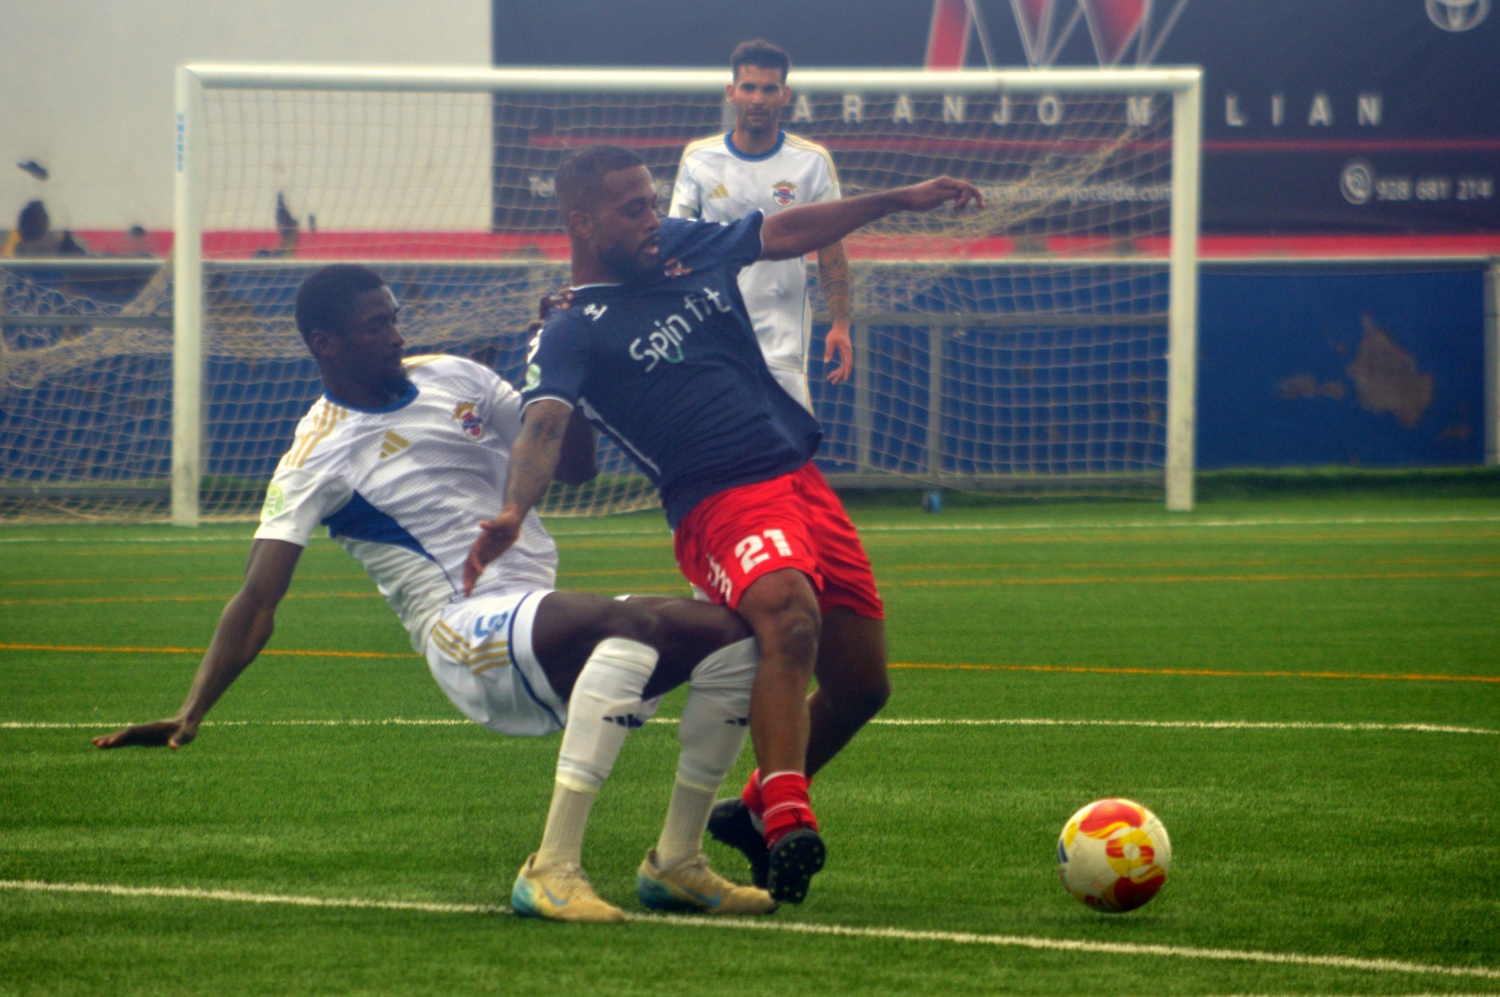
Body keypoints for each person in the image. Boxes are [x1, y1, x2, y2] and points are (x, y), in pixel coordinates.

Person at [93, 264, 775, 924]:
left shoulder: (457, 375)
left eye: (393, 318)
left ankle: (677, 862)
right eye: (373, 326)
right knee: (619, 624)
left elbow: (575, 466)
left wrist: (563, 380)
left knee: (730, 637)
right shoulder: (316, 456)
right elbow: (256, 599)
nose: (394, 334)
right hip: (463, 633)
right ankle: (550, 869)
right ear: (324, 345)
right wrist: (192, 710)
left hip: (536, 613)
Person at [463, 145, 982, 904]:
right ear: (581, 221)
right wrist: (515, 506)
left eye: (651, 201)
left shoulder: (680, 245)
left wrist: (898, 199)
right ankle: (789, 818)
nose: (653, 218)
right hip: (720, 500)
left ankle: (752, 808)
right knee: (787, 616)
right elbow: (545, 428)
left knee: (862, 685)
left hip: (799, 476)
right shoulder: (572, 328)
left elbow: (782, 230)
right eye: (632, 208)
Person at [669, 39, 853, 410]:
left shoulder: (811, 162)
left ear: (785, 95)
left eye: (769, 89)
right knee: (718, 456)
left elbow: (831, 248)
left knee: (788, 455)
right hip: (714, 337)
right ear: (731, 92)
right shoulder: (699, 160)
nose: (758, 98)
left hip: (783, 342)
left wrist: (841, 324)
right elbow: (675, 248)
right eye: (749, 87)